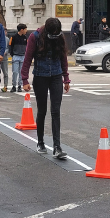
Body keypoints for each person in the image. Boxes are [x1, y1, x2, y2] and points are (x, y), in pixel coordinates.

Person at [21, 18, 71, 159]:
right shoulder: (35, 37)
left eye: (57, 33)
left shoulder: (60, 37)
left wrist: (66, 78)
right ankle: (41, 142)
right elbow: (27, 58)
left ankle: (57, 147)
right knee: (42, 111)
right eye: (52, 33)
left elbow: (63, 58)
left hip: (56, 76)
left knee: (56, 111)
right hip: (40, 77)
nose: (54, 35)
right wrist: (24, 79)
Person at [8, 24, 28, 92]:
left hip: (23, 56)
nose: (26, 31)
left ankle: (20, 85)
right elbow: (10, 46)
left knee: (21, 72)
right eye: (25, 29)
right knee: (15, 72)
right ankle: (14, 86)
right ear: (22, 30)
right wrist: (12, 54)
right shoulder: (13, 37)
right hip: (16, 56)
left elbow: (27, 47)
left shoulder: (25, 37)